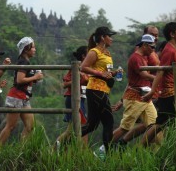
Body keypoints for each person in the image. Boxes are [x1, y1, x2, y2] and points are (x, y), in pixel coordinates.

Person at [111, 34, 158, 147]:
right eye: (152, 47)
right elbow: (144, 75)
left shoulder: (143, 58)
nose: (153, 50)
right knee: (124, 128)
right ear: (145, 45)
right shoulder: (135, 58)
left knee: (155, 125)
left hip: (145, 98)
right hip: (134, 98)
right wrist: (160, 78)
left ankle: (148, 153)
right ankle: (101, 151)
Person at [80, 26, 121, 154]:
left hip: (103, 90)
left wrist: (113, 73)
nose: (112, 39)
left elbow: (104, 72)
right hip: (95, 89)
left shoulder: (106, 53)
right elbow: (83, 67)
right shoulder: (94, 52)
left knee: (92, 125)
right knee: (108, 122)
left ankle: (65, 142)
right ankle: (108, 156)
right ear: (103, 37)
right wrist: (101, 74)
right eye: (110, 36)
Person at [0, 37, 44, 146]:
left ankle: (21, 150)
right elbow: (19, 80)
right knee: (10, 126)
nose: (34, 49)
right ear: (26, 49)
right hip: (16, 97)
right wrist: (35, 77)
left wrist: (35, 78)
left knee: (30, 126)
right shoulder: (23, 62)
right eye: (33, 47)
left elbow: (25, 79)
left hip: (24, 97)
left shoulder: (26, 61)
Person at [55, 45, 89, 149]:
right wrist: (79, 79)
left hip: (81, 99)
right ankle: (54, 149)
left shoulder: (87, 67)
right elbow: (65, 84)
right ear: (84, 56)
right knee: (75, 129)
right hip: (73, 99)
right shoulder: (76, 67)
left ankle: (64, 151)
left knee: (78, 128)